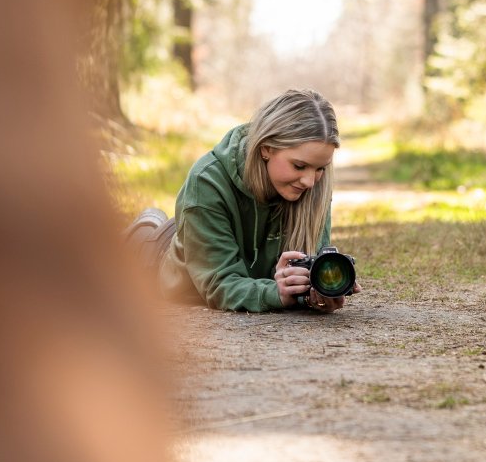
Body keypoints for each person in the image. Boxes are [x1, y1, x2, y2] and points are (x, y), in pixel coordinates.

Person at [126, 88, 357, 313]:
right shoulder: (206, 183)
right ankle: (147, 226)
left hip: (217, 238)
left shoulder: (314, 184)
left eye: (320, 169)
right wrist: (275, 293)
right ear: (266, 148)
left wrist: (321, 289)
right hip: (162, 259)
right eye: (299, 166)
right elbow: (219, 282)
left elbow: (312, 266)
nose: (309, 181)